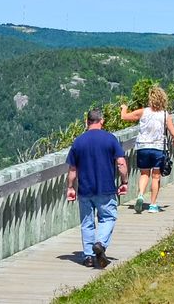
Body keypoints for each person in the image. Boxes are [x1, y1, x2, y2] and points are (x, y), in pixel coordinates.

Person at [65, 108, 127, 269]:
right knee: (108, 217)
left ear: (87, 121)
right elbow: (121, 163)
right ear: (102, 121)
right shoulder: (110, 139)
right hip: (106, 188)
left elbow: (73, 169)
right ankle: (100, 243)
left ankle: (89, 257)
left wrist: (70, 187)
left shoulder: (78, 141)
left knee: (87, 222)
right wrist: (124, 182)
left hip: (85, 189)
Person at [120, 86, 174, 213]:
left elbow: (124, 117)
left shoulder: (143, 112)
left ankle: (140, 195)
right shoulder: (165, 114)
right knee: (156, 176)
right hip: (158, 148)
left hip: (142, 147)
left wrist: (124, 108)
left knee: (144, 174)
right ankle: (153, 205)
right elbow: (173, 132)